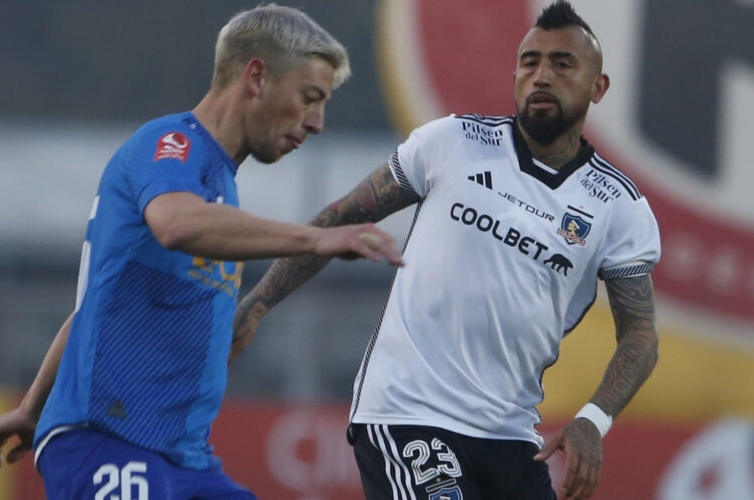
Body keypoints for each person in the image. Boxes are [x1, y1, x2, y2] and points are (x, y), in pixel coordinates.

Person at [0, 4, 403, 499]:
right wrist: (316, 237)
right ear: (256, 77)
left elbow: (92, 311)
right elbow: (175, 224)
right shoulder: (171, 145)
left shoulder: (218, 186)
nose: (317, 121)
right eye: (309, 97)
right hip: (107, 444)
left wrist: (30, 409)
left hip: (185, 460)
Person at [232, 1, 660, 499]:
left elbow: (641, 333)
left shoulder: (619, 206)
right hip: (409, 413)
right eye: (530, 62)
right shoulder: (453, 141)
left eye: (562, 64)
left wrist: (594, 418)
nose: (541, 75)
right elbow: (340, 218)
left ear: (598, 86)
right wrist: (258, 303)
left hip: (513, 436)